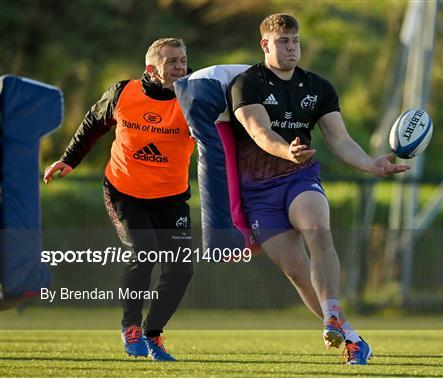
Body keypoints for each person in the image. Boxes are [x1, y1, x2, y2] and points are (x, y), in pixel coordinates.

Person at [229, 14, 409, 365]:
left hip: (299, 178)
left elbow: (339, 139)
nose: (292, 47)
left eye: (295, 41)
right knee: (296, 270)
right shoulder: (246, 83)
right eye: (283, 41)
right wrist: (286, 149)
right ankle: (353, 337)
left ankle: (330, 313)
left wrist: (372, 164)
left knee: (318, 230)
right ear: (265, 44)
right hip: (258, 192)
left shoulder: (318, 87)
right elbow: (258, 132)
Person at [43, 38, 195, 362]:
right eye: (172, 62)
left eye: (183, 60)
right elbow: (93, 123)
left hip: (171, 198)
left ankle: (153, 333)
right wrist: (69, 159)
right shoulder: (123, 93)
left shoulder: (196, 96)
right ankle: (131, 327)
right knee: (145, 251)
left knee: (181, 269)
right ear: (151, 69)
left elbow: (222, 133)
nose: (181, 67)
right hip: (125, 192)